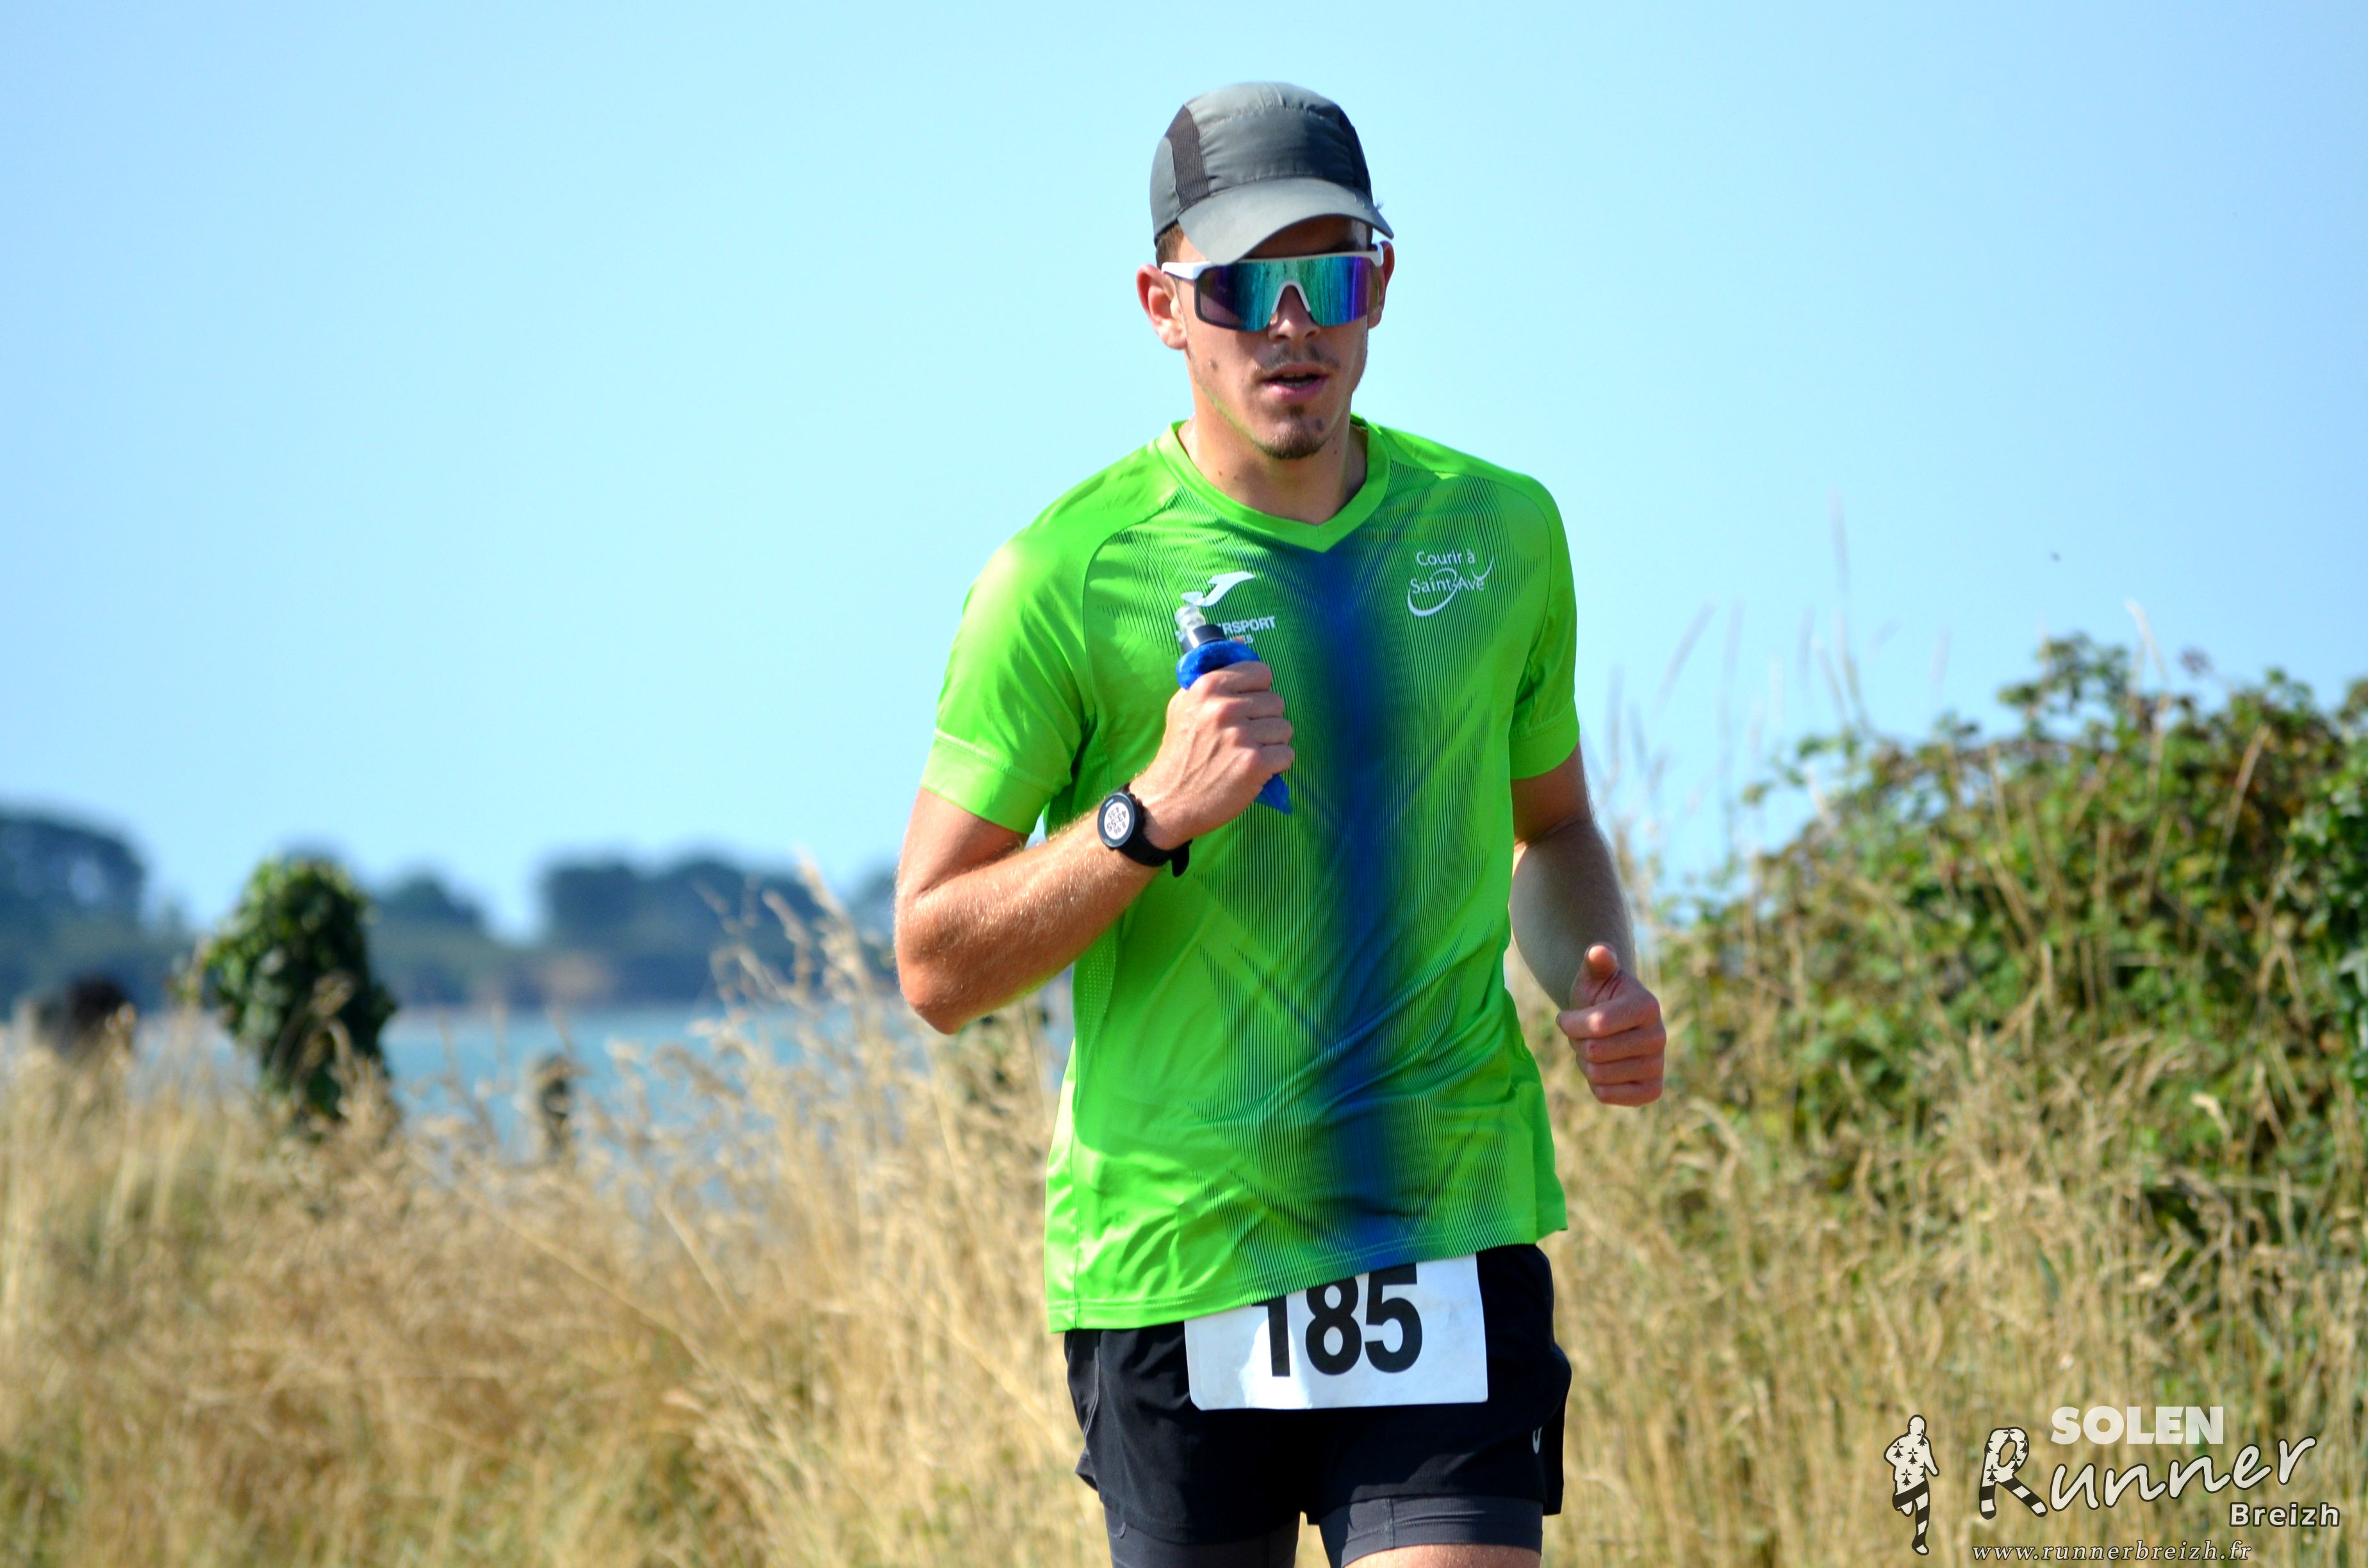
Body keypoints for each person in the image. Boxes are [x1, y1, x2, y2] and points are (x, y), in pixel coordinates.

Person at [894, 82, 1665, 1568]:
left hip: (1442, 1219)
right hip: (1175, 1258)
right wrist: (1144, 819)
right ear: (1164, 307)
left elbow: (1556, 831)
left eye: (1333, 276)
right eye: (1246, 288)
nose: (1293, 325)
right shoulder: (1060, 577)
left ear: (1384, 284)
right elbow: (934, 964)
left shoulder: (1501, 532)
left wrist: (1600, 979)